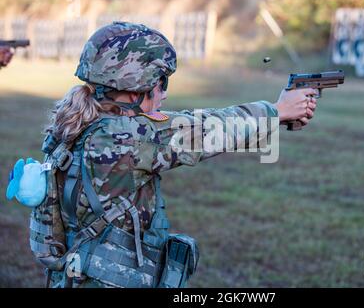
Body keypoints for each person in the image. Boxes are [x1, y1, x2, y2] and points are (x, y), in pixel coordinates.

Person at [29, 21, 317, 288]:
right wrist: (278, 111)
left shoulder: (76, 124)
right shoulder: (127, 138)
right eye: (161, 82)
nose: (164, 93)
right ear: (135, 90)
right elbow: (210, 129)